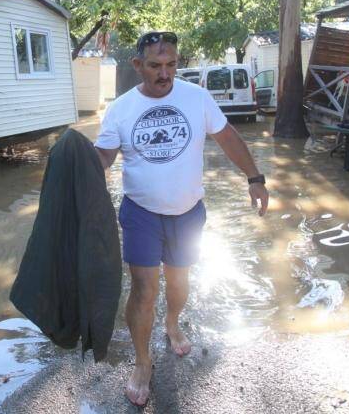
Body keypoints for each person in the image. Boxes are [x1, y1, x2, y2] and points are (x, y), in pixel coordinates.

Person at [94, 31, 269, 407]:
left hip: (189, 211)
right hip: (141, 212)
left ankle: (172, 323)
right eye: (155, 66)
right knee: (144, 289)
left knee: (178, 282)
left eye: (171, 64)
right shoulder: (120, 109)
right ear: (138, 65)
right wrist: (76, 174)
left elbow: (228, 138)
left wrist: (255, 178)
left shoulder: (197, 97)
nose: (164, 73)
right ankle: (142, 362)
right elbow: (103, 159)